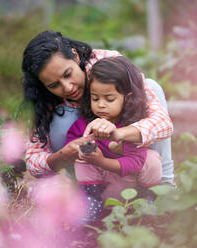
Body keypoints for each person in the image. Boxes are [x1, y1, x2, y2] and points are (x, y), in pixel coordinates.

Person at [21, 30, 174, 194]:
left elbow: (163, 124)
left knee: (152, 87)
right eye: (53, 85)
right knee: (62, 121)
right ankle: (86, 194)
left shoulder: (108, 65)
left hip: (129, 153)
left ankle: (164, 186)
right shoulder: (41, 97)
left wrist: (118, 133)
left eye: (68, 74)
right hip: (88, 162)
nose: (68, 87)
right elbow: (33, 162)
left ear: (75, 56)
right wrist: (63, 154)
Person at [64, 56, 162, 221]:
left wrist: (101, 161)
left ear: (127, 97)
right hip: (102, 188)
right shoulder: (86, 124)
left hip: (132, 188)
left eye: (109, 99)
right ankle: (91, 202)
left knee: (151, 159)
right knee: (81, 157)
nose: (101, 104)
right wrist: (85, 148)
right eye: (95, 98)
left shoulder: (132, 127)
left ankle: (148, 201)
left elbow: (135, 163)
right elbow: (71, 145)